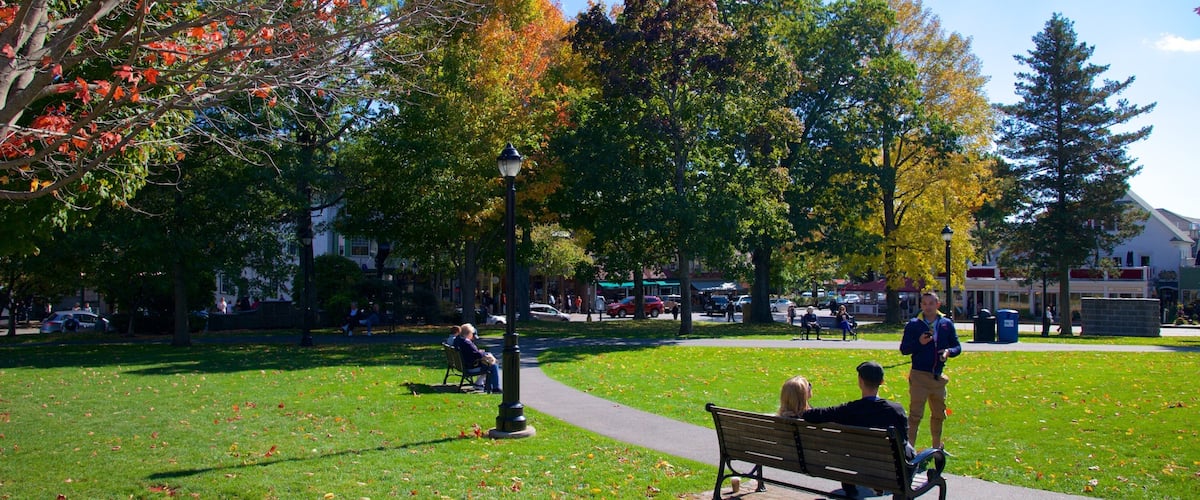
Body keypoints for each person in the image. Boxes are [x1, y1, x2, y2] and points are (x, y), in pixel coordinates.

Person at [802, 361, 912, 497]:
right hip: (891, 470)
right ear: (882, 381)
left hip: (857, 464)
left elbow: (813, 415)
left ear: (860, 381)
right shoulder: (896, 410)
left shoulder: (848, 410)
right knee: (909, 449)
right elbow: (903, 441)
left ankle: (850, 487)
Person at [899, 292, 962, 450]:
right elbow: (904, 349)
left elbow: (957, 346)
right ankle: (910, 449)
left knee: (939, 414)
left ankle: (936, 447)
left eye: (931, 303)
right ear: (921, 305)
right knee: (915, 415)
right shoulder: (914, 324)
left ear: (937, 304)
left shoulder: (946, 323)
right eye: (924, 304)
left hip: (938, 377)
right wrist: (919, 342)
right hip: (919, 375)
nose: (928, 307)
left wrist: (949, 352)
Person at [453, 323, 501, 393]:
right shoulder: (466, 343)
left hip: (465, 365)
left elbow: (474, 353)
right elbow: (478, 355)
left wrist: (481, 352)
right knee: (493, 365)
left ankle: (479, 383)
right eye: (472, 333)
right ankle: (495, 388)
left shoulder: (458, 340)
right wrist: (484, 353)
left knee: (490, 363)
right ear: (469, 333)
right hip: (471, 367)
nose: (472, 335)